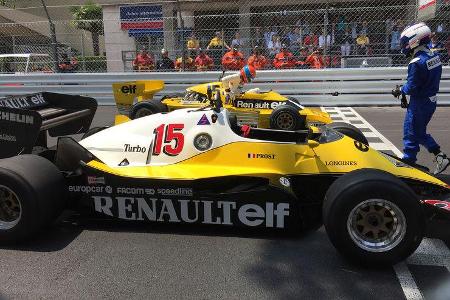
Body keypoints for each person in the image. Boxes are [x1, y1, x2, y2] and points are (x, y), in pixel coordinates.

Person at [393, 22, 449, 174]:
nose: (404, 46)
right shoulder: (435, 56)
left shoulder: (416, 63)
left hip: (420, 102)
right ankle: (418, 156)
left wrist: (399, 90)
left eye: (405, 42)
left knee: (412, 131)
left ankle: (411, 159)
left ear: (414, 40)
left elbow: (412, 86)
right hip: (430, 100)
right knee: (414, 130)